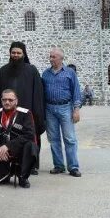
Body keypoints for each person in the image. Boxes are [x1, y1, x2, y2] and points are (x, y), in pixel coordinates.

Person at [0, 41, 45, 175]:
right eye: (13, 52)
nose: (16, 55)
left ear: (23, 54)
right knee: (7, 137)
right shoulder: (2, 71)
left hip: (27, 112)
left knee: (30, 137)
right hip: (7, 112)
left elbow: (38, 93)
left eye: (18, 53)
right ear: (10, 54)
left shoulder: (31, 70)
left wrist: (37, 113)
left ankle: (32, 165)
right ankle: (7, 163)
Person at [0, 89, 38, 188]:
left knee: (31, 147)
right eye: (4, 100)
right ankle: (4, 173)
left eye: (10, 100)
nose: (7, 102)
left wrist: (8, 146)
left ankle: (23, 177)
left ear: (16, 101)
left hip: (17, 149)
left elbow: (29, 135)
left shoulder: (25, 114)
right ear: (1, 100)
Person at [42, 47, 82, 177]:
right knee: (53, 139)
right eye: (50, 56)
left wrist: (76, 109)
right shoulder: (46, 74)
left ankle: (73, 167)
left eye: (53, 57)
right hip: (49, 109)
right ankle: (58, 165)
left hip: (65, 108)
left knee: (69, 139)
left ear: (61, 58)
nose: (51, 59)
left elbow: (76, 91)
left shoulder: (70, 73)